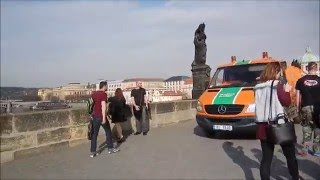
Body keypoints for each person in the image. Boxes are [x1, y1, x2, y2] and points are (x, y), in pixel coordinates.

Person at [254, 63, 299, 180]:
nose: (281, 75)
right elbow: (287, 102)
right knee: (290, 156)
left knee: (266, 159)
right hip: (278, 125)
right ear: (276, 72)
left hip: (263, 126)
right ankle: (295, 177)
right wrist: (287, 90)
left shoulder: (258, 87)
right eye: (280, 73)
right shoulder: (277, 85)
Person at [296, 62, 320, 156]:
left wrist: (298, 109)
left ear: (307, 68)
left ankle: (305, 150)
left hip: (305, 107)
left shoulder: (300, 80)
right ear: (317, 68)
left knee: (306, 127)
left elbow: (298, 97)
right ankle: (317, 150)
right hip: (318, 107)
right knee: (318, 127)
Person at [90, 81, 119, 157]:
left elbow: (93, 106)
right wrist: (103, 118)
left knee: (94, 134)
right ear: (104, 86)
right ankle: (110, 149)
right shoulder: (103, 94)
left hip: (94, 116)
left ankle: (93, 152)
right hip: (100, 116)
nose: (107, 87)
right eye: (107, 86)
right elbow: (103, 107)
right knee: (108, 132)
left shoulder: (94, 94)